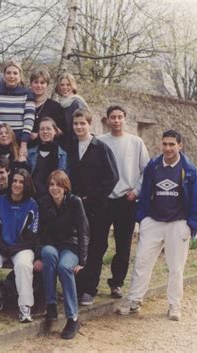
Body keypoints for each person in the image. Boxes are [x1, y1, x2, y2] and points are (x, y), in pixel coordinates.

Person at [117, 130, 197, 321]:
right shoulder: (154, 166)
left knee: (175, 268)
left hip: (178, 223)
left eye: (172, 144)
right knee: (142, 262)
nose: (168, 148)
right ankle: (134, 300)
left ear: (180, 145)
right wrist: (143, 218)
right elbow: (144, 192)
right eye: (165, 144)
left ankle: (174, 305)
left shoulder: (189, 169)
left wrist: (192, 226)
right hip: (154, 222)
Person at [97, 105, 150, 299]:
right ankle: (90, 284)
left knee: (123, 246)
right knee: (97, 244)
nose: (116, 120)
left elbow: (146, 171)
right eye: (113, 117)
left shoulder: (136, 142)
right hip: (104, 200)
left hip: (126, 200)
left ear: (125, 119)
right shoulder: (100, 142)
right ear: (107, 120)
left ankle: (116, 283)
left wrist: (136, 191)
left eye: (120, 117)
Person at [67, 108, 119, 305]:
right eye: (76, 124)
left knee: (96, 247)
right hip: (75, 206)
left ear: (90, 125)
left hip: (98, 207)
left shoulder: (100, 148)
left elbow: (113, 177)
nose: (79, 127)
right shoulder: (70, 147)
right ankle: (77, 286)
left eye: (83, 123)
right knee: (78, 245)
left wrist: (94, 197)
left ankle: (89, 289)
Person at [34, 170, 89, 339]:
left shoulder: (75, 202)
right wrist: (37, 256)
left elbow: (83, 231)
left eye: (58, 184)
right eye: (51, 184)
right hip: (50, 245)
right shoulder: (43, 202)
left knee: (65, 267)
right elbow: (36, 232)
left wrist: (82, 261)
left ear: (65, 187)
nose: (54, 188)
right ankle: (51, 304)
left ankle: (72, 317)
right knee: (49, 255)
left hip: (69, 246)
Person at [0, 168, 39, 323]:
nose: (17, 184)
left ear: (26, 184)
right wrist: (2, 247)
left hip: (22, 248)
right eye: (14, 180)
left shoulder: (32, 204)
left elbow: (32, 234)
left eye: (21, 181)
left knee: (23, 265)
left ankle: (25, 307)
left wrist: (15, 248)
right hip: (1, 246)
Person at [0, 61, 35, 163]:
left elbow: (29, 120)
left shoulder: (27, 94)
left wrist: (24, 144)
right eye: (8, 73)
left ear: (20, 76)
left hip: (19, 141)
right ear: (4, 75)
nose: (12, 76)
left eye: (15, 73)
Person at [27, 117, 67, 197]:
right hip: (33, 196)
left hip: (53, 197)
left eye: (48, 129)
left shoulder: (62, 154)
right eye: (42, 129)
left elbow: (63, 179)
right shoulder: (30, 153)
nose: (45, 132)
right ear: (38, 132)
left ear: (55, 131)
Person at [29, 69, 66, 148]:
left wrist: (39, 135)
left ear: (47, 85)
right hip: (27, 151)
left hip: (50, 151)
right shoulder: (25, 104)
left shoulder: (55, 107)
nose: (39, 85)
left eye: (42, 83)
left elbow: (61, 131)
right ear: (31, 84)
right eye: (36, 82)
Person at [54, 72, 88, 147]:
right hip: (62, 145)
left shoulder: (77, 103)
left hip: (76, 144)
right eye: (62, 85)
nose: (65, 87)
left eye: (68, 85)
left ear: (73, 86)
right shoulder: (59, 104)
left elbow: (83, 127)